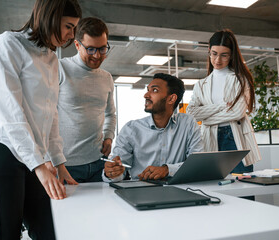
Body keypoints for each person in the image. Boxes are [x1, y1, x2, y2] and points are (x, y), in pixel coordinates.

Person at [0, 0, 81, 239]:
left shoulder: (52, 60)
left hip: (34, 160)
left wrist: (59, 164)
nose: (72, 35)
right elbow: (10, 111)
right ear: (50, 17)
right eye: (68, 26)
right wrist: (40, 167)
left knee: (50, 232)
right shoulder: (8, 44)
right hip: (1, 152)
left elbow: (51, 115)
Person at [103, 73, 204, 181]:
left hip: (179, 189)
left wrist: (167, 170)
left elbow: (197, 164)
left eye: (154, 90)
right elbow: (117, 171)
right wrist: (111, 173)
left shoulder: (187, 123)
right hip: (141, 190)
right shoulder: (131, 129)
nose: (146, 95)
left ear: (171, 99)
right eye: (148, 90)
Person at [186, 29, 261, 173]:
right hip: (209, 136)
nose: (217, 60)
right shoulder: (201, 85)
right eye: (214, 54)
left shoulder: (240, 79)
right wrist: (221, 107)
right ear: (209, 51)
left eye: (224, 55)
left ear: (231, 55)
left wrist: (206, 118)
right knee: (213, 186)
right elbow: (192, 113)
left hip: (234, 137)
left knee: (243, 187)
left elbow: (237, 112)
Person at [57, 17, 116, 183]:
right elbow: (45, 117)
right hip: (65, 165)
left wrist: (109, 137)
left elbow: (110, 114)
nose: (97, 56)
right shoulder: (60, 69)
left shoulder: (106, 78)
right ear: (77, 45)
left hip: (98, 163)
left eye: (102, 49)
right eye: (90, 49)